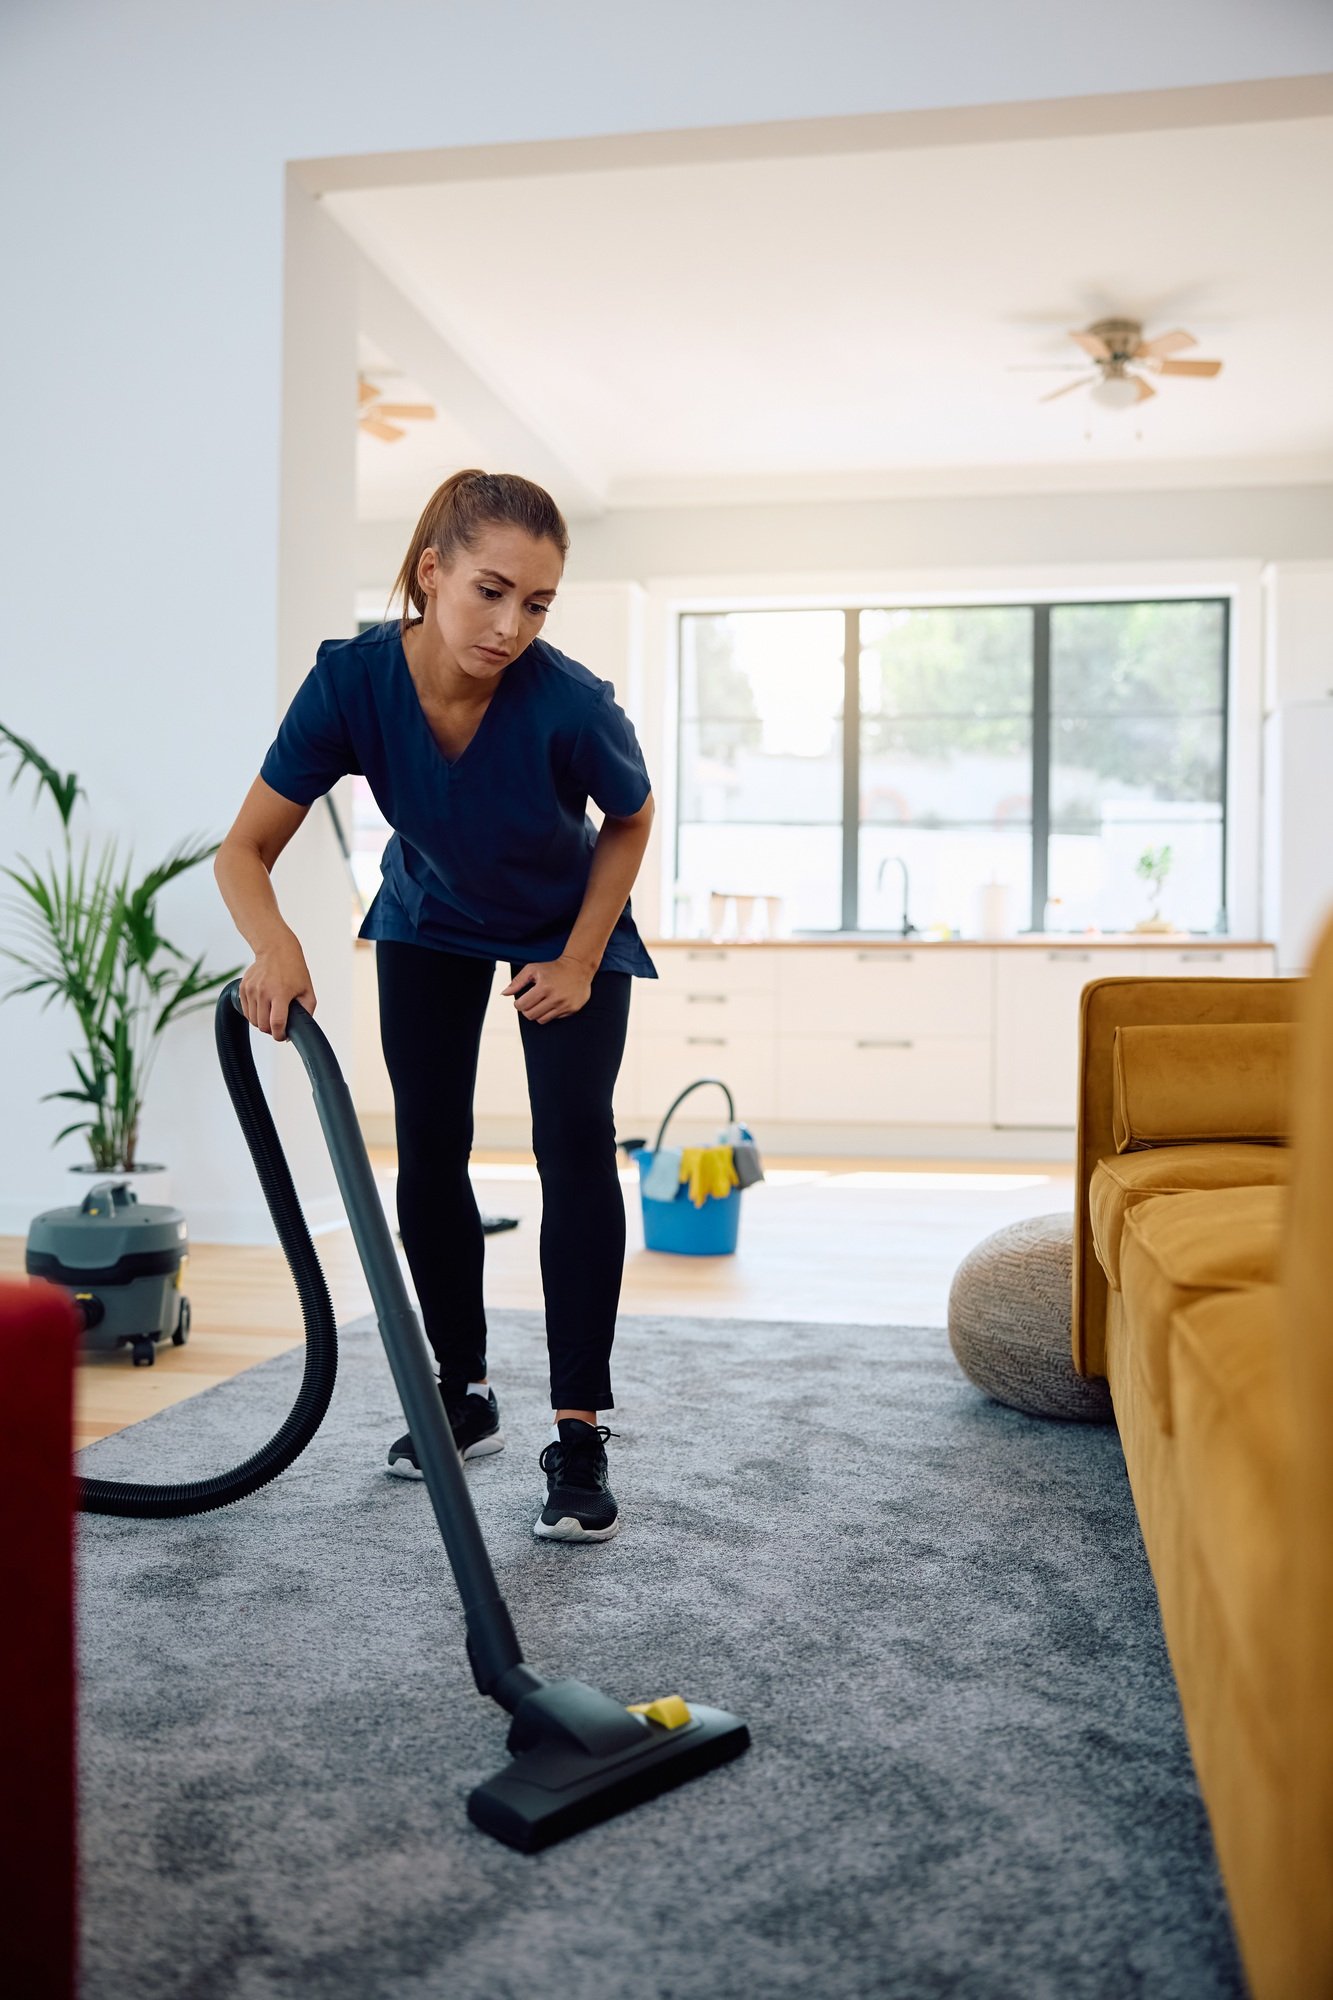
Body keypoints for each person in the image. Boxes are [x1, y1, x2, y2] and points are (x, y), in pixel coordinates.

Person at [213, 469, 657, 1543]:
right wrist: (273, 943)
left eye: (537, 603)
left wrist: (583, 955)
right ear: (430, 572)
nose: (511, 626)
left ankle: (580, 1430)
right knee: (429, 1147)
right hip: (428, 916)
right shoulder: (352, 684)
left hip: (565, 928)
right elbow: (245, 849)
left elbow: (631, 820)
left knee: (572, 1147)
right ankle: (463, 1391)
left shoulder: (569, 702)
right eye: (490, 591)